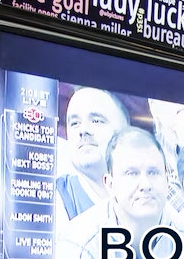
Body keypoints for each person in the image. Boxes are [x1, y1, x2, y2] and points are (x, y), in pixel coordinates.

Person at [54, 127, 181, 259]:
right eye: (132, 173)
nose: (145, 184)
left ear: (168, 179)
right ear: (110, 184)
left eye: (153, 172)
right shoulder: (80, 242)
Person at [54, 87, 129, 221]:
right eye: (75, 123)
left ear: (126, 132)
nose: (83, 130)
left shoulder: (148, 191)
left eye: (96, 121)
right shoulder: (53, 198)